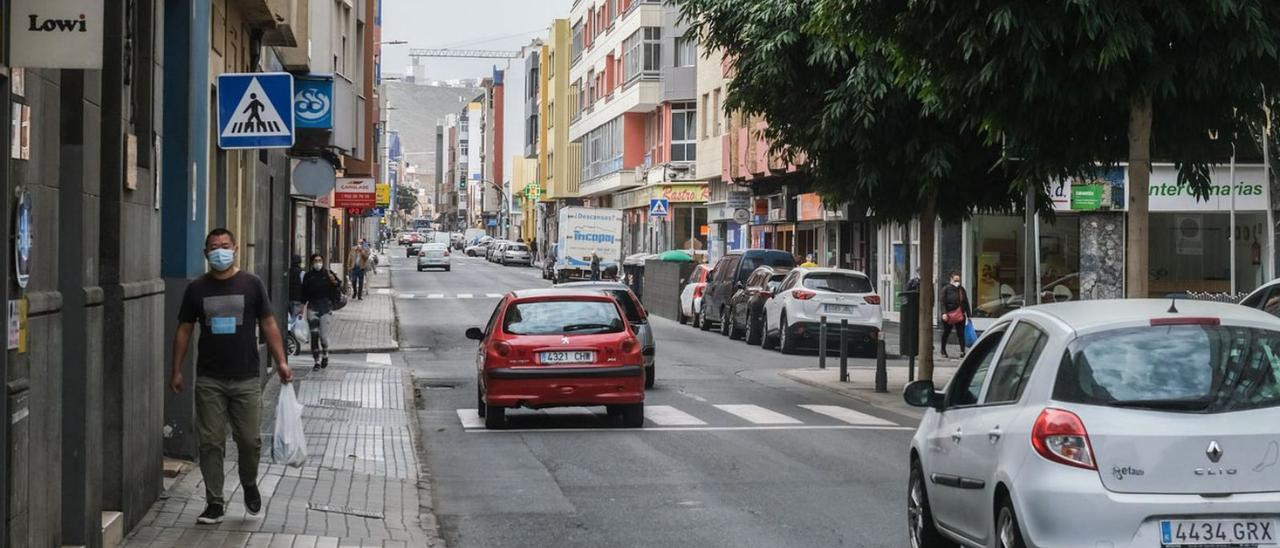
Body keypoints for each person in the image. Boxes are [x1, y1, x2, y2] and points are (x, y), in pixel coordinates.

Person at [169, 228, 293, 525]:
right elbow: (184, 329)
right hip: (210, 378)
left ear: (235, 248)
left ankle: (248, 483)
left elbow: (269, 322)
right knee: (210, 442)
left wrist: (282, 362)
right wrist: (176, 369)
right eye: (214, 246)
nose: (220, 251)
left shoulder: (251, 283)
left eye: (225, 246)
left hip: (246, 378)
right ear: (206, 253)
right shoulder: (197, 289)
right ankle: (215, 502)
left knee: (249, 440)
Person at [302, 253, 341, 370]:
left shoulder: (327, 274)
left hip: (325, 308)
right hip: (312, 308)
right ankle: (316, 361)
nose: (318, 263)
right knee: (314, 335)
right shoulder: (308, 276)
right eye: (315, 261)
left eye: (320, 260)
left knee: (323, 337)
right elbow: (303, 292)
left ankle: (325, 353)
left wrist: (335, 282)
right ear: (312, 263)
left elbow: (338, 285)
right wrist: (301, 306)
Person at [940, 271, 971, 358]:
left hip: (960, 314)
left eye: (958, 280)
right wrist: (944, 313)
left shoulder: (961, 289)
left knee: (961, 333)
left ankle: (962, 351)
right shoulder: (946, 289)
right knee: (946, 332)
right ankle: (943, 349)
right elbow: (942, 302)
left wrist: (968, 314)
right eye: (955, 280)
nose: (957, 282)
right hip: (949, 314)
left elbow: (966, 302)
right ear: (951, 279)